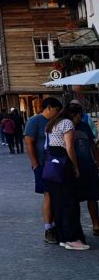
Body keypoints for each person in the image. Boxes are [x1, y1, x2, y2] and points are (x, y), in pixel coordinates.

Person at [44, 103, 88, 250]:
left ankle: (62, 237)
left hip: (52, 165)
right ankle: (72, 238)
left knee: (58, 202)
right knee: (70, 202)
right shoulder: (67, 123)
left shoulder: (52, 123)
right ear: (74, 115)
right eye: (78, 117)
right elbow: (69, 147)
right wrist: (76, 167)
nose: (79, 121)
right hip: (64, 164)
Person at [24, 97, 63, 245]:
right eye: (56, 110)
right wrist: (35, 164)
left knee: (55, 194)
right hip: (42, 164)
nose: (58, 113)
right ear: (49, 108)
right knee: (48, 194)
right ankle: (48, 228)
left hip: (56, 163)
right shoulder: (34, 122)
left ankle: (55, 224)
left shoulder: (57, 122)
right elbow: (28, 142)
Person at [71, 101, 99, 236]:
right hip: (73, 168)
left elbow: (92, 144)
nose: (80, 118)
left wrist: (97, 161)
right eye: (78, 116)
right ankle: (76, 227)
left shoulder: (84, 126)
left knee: (92, 197)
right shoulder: (65, 127)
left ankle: (96, 224)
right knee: (74, 199)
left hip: (88, 165)